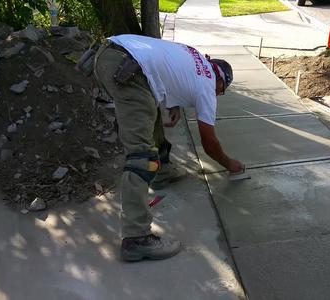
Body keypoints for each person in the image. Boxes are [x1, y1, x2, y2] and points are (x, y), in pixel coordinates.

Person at [78, 34, 243, 262]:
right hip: (129, 70)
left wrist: (173, 104)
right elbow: (209, 142)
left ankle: (162, 171)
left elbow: (168, 68)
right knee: (141, 156)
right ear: (220, 80)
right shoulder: (208, 85)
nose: (217, 94)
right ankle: (137, 238)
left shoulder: (194, 55)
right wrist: (230, 164)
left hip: (111, 54)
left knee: (151, 110)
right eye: (220, 91)